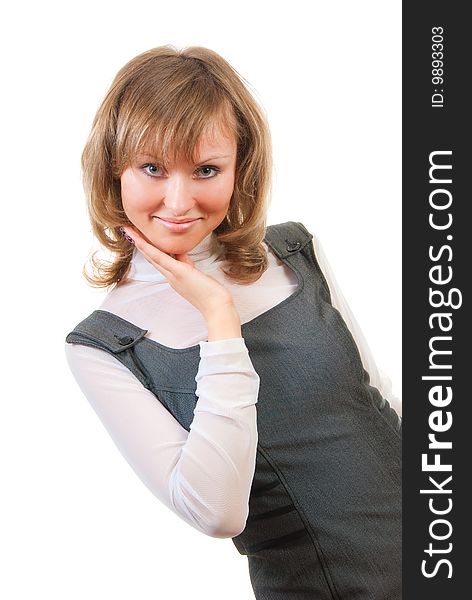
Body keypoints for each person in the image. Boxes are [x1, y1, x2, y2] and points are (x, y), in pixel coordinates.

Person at [65, 45, 401, 599]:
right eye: (152, 167)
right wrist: (219, 319)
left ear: (239, 169)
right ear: (113, 169)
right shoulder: (106, 345)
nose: (179, 199)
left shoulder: (293, 252)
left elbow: (375, 408)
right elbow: (217, 512)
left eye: (206, 169)